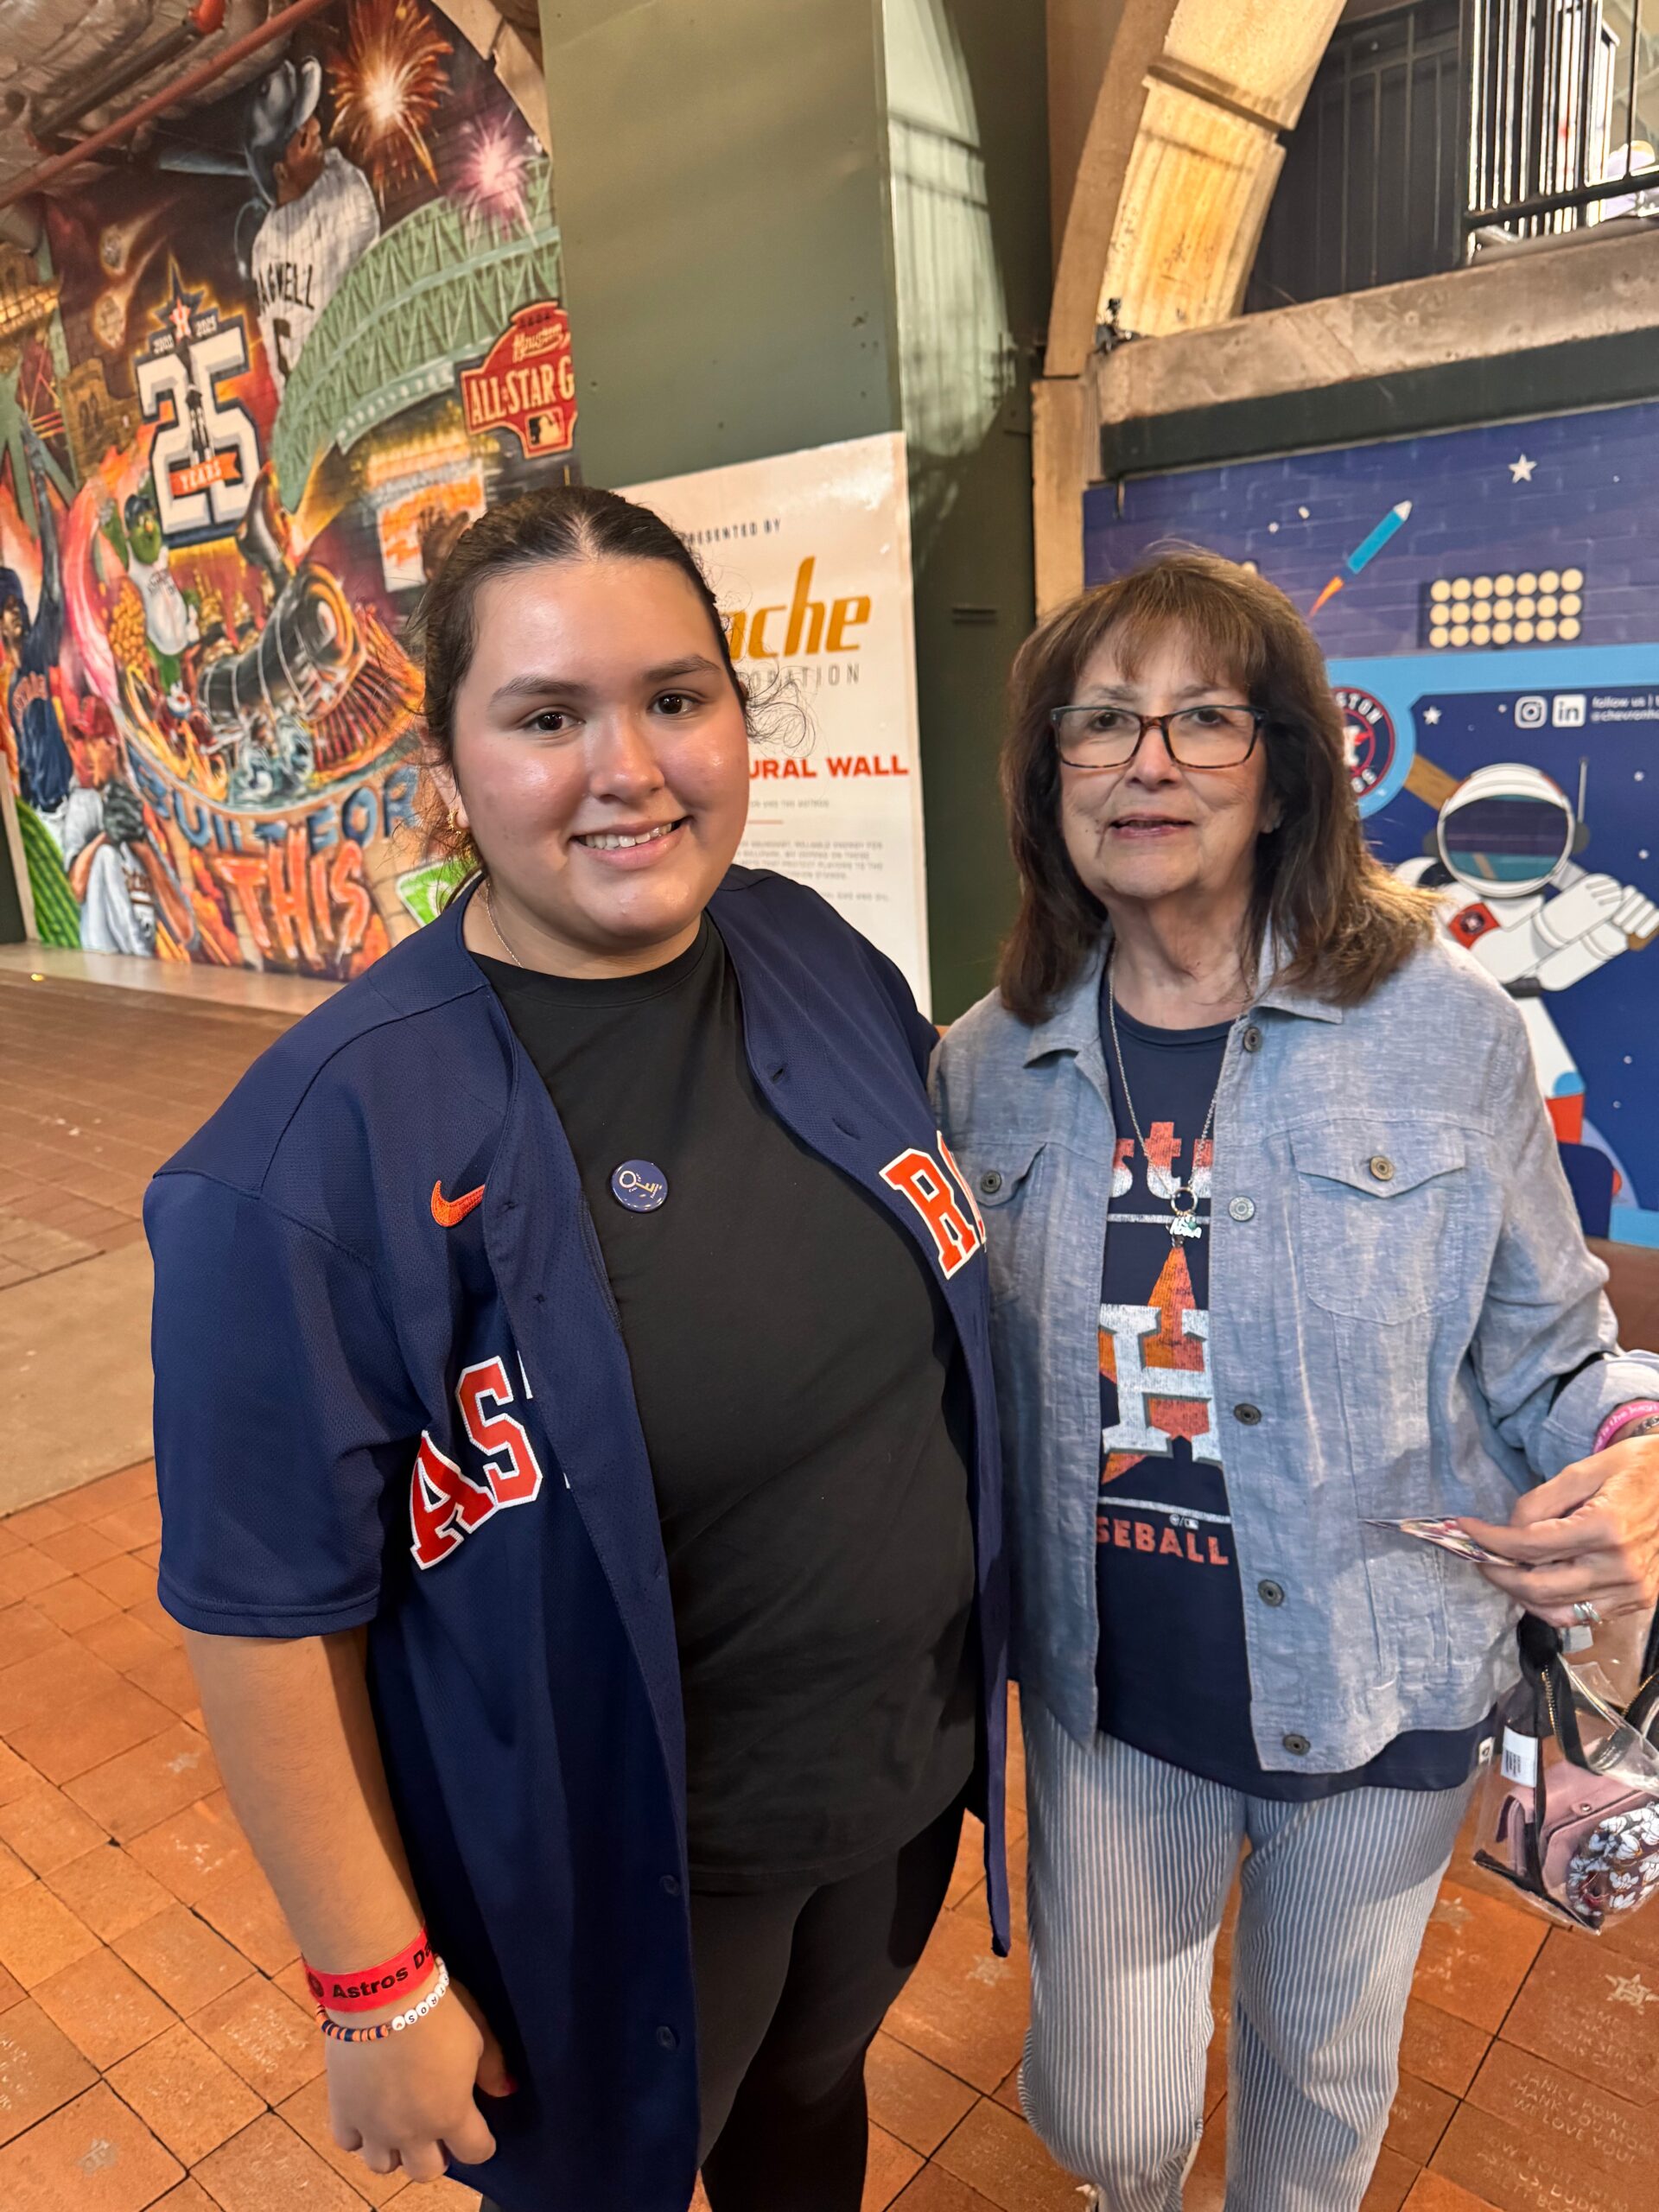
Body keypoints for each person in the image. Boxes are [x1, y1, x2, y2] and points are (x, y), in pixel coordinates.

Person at [147, 486, 1007, 2212]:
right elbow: (263, 1609)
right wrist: (370, 1974)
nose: (630, 767)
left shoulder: (807, 949)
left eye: (677, 698)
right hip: (614, 1882)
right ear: (448, 772)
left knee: (809, 2113)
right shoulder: (310, 1154)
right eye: (548, 718)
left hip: (891, 1798)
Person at [932, 550, 1659, 2212]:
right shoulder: (986, 1064)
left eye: (1204, 719)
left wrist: (1641, 1452)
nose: (1147, 762)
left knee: (1319, 2093)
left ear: (1282, 776)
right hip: (1115, 1688)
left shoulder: (1443, 1027)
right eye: (1099, 723)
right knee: (1108, 2117)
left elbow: (1552, 1348)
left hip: (1381, 1677)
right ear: (1050, 780)